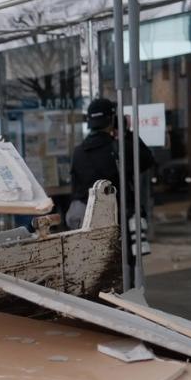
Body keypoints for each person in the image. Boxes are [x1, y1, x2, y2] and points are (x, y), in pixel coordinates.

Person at [67, 98, 155, 265]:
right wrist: (126, 132)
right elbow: (148, 159)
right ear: (112, 120)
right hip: (120, 226)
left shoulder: (78, 153)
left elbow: (76, 190)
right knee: (124, 275)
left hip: (90, 227)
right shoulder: (120, 148)